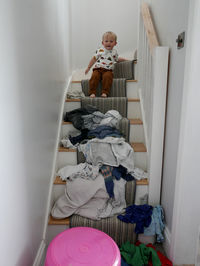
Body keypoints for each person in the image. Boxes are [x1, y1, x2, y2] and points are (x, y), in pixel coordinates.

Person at [85, 31, 127, 98]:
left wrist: (125, 60)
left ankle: (105, 92)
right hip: (98, 69)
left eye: (111, 41)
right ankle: (92, 92)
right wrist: (88, 67)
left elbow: (117, 59)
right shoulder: (100, 50)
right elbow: (94, 59)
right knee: (94, 77)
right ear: (102, 42)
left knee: (108, 77)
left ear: (115, 43)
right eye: (106, 41)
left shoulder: (114, 52)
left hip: (108, 70)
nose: (108, 43)